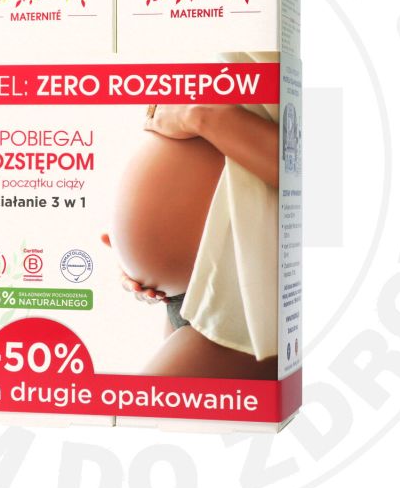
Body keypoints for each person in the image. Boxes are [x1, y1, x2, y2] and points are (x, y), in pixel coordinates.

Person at [102, 95, 280, 381]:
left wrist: (198, 115)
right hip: (185, 295)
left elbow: (324, 181)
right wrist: (137, 255)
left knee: (139, 407)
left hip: (244, 297)